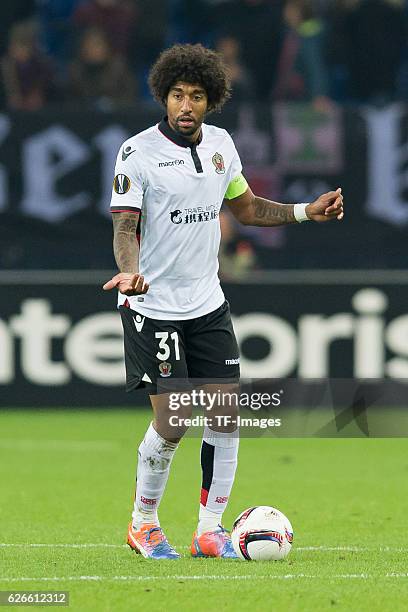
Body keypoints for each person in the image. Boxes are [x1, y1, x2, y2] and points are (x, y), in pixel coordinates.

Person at [103, 43, 344, 560]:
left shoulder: (221, 146)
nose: (185, 105)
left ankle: (209, 531)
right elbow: (125, 225)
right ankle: (143, 524)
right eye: (176, 95)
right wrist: (130, 272)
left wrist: (306, 211)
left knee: (226, 414)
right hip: (154, 306)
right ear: (163, 98)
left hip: (207, 303)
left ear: (211, 100)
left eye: (195, 96)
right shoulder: (137, 152)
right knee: (174, 422)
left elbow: (249, 208)